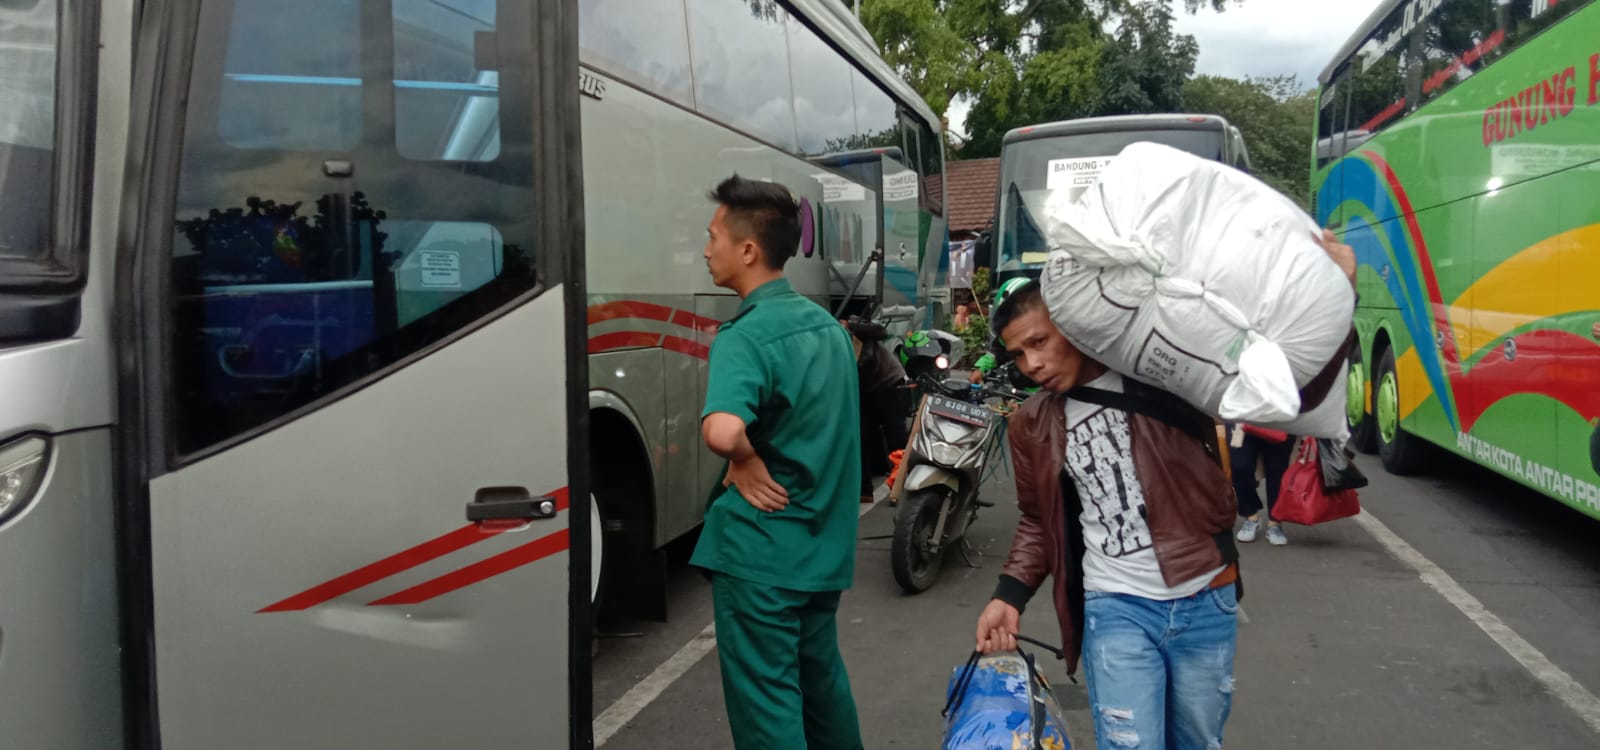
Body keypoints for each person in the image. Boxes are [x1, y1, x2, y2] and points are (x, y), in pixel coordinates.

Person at [973, 231, 1357, 750]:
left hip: (1205, 596)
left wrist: (1339, 293)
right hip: (1114, 608)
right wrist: (1009, 596)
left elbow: (1292, 393)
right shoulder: (1032, 424)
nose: (1031, 364)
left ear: (1072, 325)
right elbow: (1038, 522)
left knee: (1197, 742)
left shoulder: (1162, 376)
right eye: (1018, 355)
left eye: (1039, 342)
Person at [693, 174, 864, 750]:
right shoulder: (831, 331)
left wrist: (741, 460)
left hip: (762, 556)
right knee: (822, 689)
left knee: (769, 709)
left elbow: (723, 429)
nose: (705, 246)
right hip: (822, 552)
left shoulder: (744, 335)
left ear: (748, 249)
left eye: (714, 234)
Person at [843, 317, 909, 503]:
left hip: (890, 384)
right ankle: (864, 491)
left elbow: (881, 331)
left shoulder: (857, 331)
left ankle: (903, 491)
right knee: (862, 439)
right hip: (865, 389)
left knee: (896, 440)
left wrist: (851, 325)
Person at [1229, 424, 1295, 546]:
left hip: (1279, 415)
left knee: (1277, 470)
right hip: (1242, 414)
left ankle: (1275, 522)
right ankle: (1251, 516)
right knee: (1240, 466)